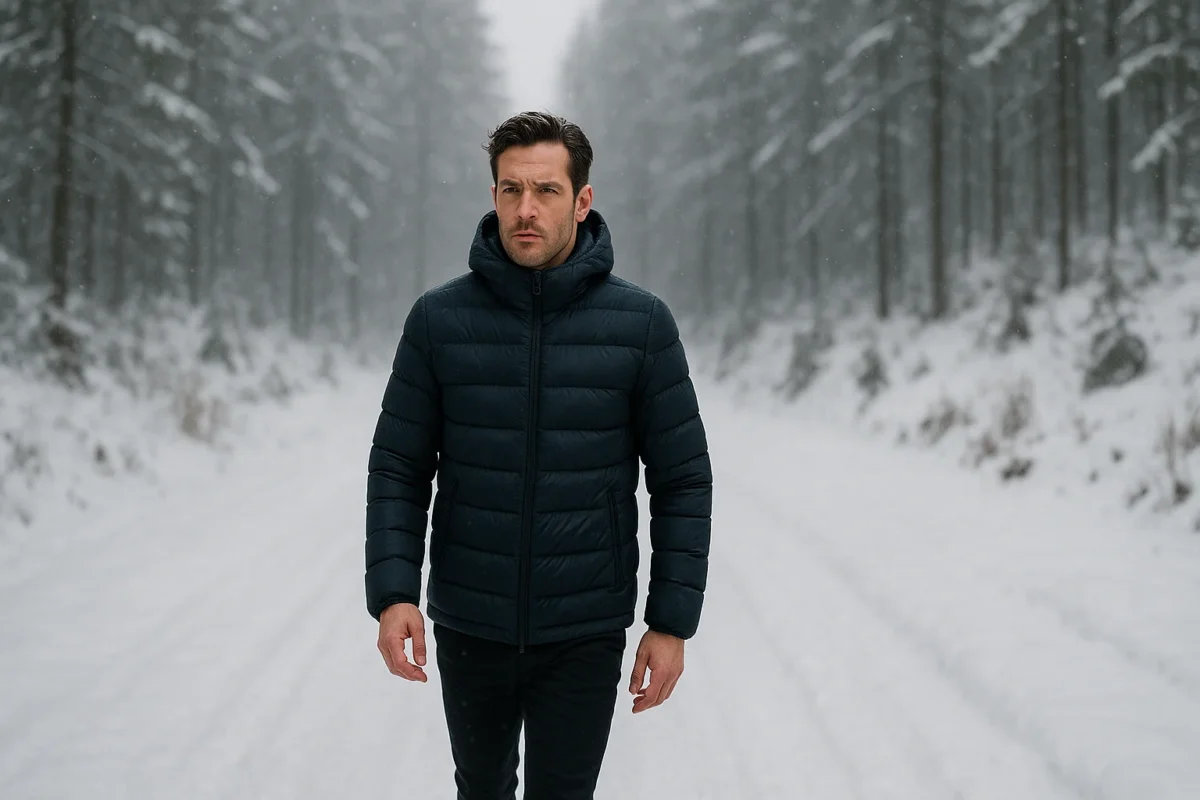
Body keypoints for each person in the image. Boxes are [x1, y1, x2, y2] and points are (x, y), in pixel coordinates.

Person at [364, 111, 713, 800]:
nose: (527, 209)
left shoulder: (641, 325)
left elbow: (682, 479)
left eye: (547, 190)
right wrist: (394, 593)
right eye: (511, 189)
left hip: (585, 628)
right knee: (481, 790)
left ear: (582, 201)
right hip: (470, 621)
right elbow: (398, 467)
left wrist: (671, 622)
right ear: (493, 195)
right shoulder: (439, 321)